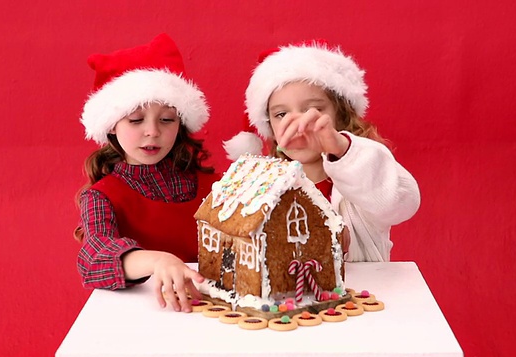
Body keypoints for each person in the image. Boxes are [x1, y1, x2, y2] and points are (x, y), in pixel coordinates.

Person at [224, 39, 421, 262]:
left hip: (365, 293)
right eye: (281, 114)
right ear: (270, 128)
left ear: (341, 116)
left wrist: (341, 148)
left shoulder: (360, 179)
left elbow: (402, 202)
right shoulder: (264, 189)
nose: (298, 123)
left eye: (314, 109)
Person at [74, 33, 217, 312]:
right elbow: (94, 256)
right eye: (136, 120)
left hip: (213, 315)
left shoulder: (216, 186)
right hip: (143, 319)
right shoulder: (101, 196)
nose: (152, 131)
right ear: (112, 125)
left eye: (166, 119)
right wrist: (158, 261)